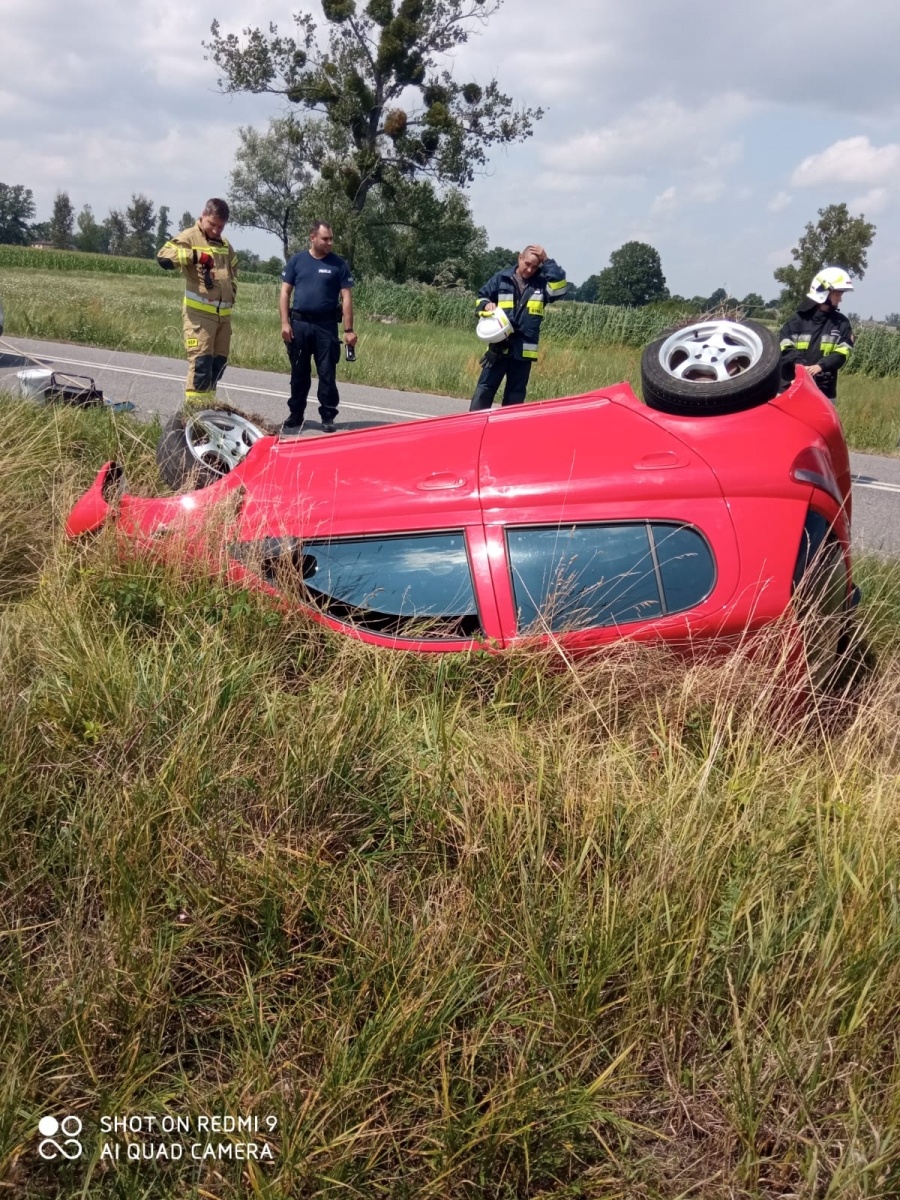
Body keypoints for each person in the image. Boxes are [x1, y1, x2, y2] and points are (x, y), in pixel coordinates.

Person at [157, 198, 237, 407]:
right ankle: (194, 414)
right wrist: (195, 255)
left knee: (217, 366)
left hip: (223, 318)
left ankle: (207, 409)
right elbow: (164, 257)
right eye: (212, 224)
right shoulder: (190, 236)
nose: (216, 230)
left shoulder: (225, 245)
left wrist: (232, 292)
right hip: (199, 318)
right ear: (203, 215)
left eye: (221, 226)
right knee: (201, 365)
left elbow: (233, 271)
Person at [279, 221, 357, 434]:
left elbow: (347, 296)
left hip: (326, 326)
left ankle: (328, 415)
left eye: (331, 238)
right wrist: (285, 323)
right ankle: (296, 415)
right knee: (299, 373)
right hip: (300, 325)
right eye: (325, 238)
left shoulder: (338, 264)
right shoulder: (297, 261)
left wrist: (349, 330)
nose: (330, 242)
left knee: (327, 373)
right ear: (312, 237)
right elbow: (285, 292)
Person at [469, 245, 568, 411]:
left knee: (515, 398)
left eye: (535, 266)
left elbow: (560, 288)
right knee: (484, 392)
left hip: (523, 352)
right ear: (519, 258)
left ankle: (507, 433)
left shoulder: (542, 284)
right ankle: (474, 429)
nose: (530, 269)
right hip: (498, 349)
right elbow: (481, 298)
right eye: (527, 264)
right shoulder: (501, 278)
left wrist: (547, 261)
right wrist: (486, 305)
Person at [779, 267, 855, 401]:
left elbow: (843, 353)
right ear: (823, 292)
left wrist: (820, 366)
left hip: (824, 392)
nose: (840, 299)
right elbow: (785, 347)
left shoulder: (841, 323)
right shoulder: (797, 320)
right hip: (790, 388)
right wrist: (802, 368)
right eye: (837, 294)